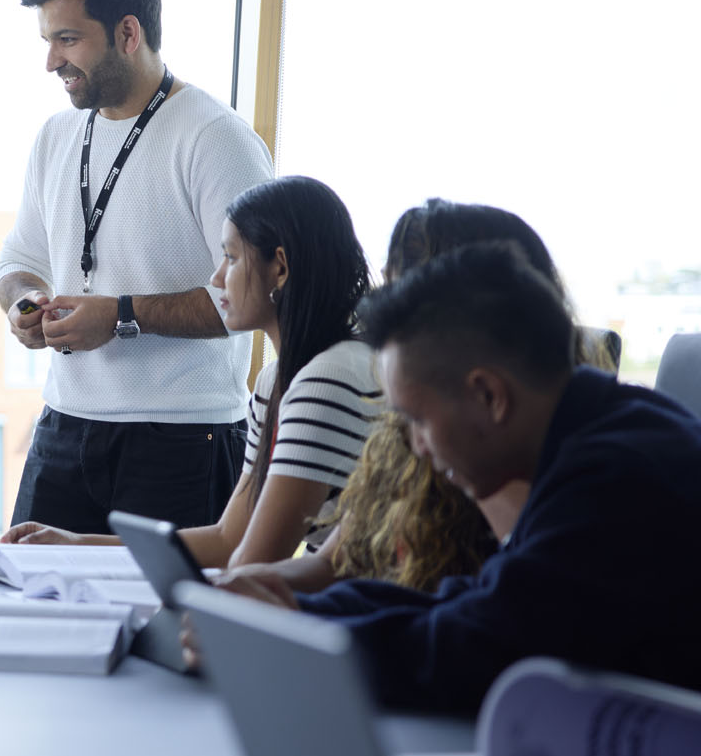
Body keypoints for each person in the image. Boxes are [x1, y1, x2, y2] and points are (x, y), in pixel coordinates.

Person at [215, 242, 701, 714]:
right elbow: (481, 599)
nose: (417, 446)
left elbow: (481, 646)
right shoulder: (598, 432)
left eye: (419, 420)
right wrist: (289, 607)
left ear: (489, 395)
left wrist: (294, 634)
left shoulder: (615, 482)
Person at [0, 0, 273, 534]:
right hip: (65, 425)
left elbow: (257, 298)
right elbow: (19, 261)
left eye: (67, 39)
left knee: (165, 624)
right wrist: (23, 302)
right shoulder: (56, 136)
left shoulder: (216, 139)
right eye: (48, 41)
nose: (51, 62)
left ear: (127, 32)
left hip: (183, 437)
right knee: (31, 600)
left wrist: (121, 317)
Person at [232, 199, 607, 596]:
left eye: (398, 297)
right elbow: (333, 564)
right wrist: (246, 588)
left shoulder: (525, 460)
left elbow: (478, 624)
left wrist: (305, 612)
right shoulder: (409, 434)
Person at [3, 176, 378, 567]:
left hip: (360, 616)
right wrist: (78, 546)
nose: (217, 279)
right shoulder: (278, 381)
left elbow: (254, 561)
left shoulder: (325, 381)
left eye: (231, 258)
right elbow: (229, 539)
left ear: (279, 268)